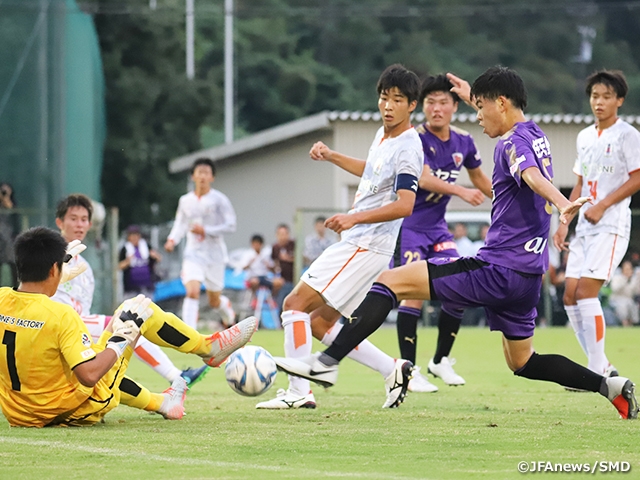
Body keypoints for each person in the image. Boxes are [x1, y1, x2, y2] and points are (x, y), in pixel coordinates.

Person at [275, 66, 638, 420]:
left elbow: (529, 175)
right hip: (528, 276)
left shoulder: (511, 143)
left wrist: (561, 203)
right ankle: (611, 387)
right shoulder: (535, 132)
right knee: (523, 362)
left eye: (480, 108)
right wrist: (469, 96)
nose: (477, 117)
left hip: (497, 268)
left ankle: (327, 362)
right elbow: (524, 157)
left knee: (391, 282)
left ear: (501, 103)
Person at [257, 64, 423, 410]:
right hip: (361, 243)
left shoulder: (409, 146)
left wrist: (354, 217)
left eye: (397, 99)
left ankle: (300, 392)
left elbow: (405, 204)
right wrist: (332, 156)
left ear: (412, 105)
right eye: (383, 98)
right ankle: (393, 368)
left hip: (365, 243)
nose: (388, 106)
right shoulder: (383, 136)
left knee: (294, 305)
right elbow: (372, 171)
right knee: (319, 323)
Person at [0, 227, 259, 427]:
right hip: (70, 409)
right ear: (55, 268)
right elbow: (90, 376)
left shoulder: (2, 299)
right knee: (135, 310)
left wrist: (54, 278)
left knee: (81, 356)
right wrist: (119, 341)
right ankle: (208, 348)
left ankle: (163, 402)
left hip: (19, 412)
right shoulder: (61, 314)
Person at [393, 74, 492, 393]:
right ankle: (408, 372)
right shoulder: (414, 138)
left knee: (458, 286)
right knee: (413, 293)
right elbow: (422, 179)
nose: (436, 108)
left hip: (437, 228)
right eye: (430, 102)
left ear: (453, 107)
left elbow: (480, 179)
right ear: (422, 107)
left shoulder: (464, 141)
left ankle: (440, 360)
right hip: (409, 226)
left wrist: (511, 198)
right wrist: (460, 192)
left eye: (443, 102)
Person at [51, 194, 209, 388]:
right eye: (73, 219)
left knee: (126, 333)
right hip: (57, 327)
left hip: (78, 330)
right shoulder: (51, 256)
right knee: (127, 322)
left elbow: (84, 310)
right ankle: (180, 373)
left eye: (84, 220)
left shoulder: (85, 269)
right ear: (60, 222)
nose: (79, 225)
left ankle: (173, 382)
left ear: (90, 225)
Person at [553, 70, 640, 376]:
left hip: (611, 223)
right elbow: (579, 183)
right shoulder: (585, 136)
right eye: (594, 96)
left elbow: (637, 177)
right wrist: (565, 219)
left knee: (587, 292)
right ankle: (602, 367)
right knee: (569, 293)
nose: (599, 102)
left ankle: (593, 372)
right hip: (585, 226)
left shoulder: (628, 135)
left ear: (619, 100)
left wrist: (603, 205)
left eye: (606, 96)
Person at [165, 158, 237, 328]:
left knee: (214, 300)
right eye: (200, 172)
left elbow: (231, 225)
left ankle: (228, 313)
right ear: (193, 176)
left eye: (207, 173)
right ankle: (189, 334)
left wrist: (206, 230)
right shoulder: (185, 200)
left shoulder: (219, 200)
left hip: (215, 255)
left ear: (212, 177)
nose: (203, 176)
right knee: (192, 291)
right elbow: (181, 222)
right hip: (193, 253)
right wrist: (172, 239)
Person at [118, 224, 162, 299]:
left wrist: (155, 256)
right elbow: (119, 266)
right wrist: (127, 261)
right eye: (132, 235)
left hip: (147, 287)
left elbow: (158, 259)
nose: (134, 238)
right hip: (131, 289)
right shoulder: (125, 249)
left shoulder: (146, 246)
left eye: (136, 235)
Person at [271, 224, 295, 312]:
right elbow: (275, 263)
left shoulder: (294, 244)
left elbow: (302, 259)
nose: (283, 237)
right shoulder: (275, 247)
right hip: (281, 281)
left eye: (284, 234)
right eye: (280, 234)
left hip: (294, 280)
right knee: (281, 303)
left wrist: (288, 258)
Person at [608, 260, 640, 326]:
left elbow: (636, 292)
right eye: (626, 269)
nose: (628, 271)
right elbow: (615, 289)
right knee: (623, 306)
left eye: (629, 269)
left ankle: (632, 323)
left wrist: (638, 280)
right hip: (617, 300)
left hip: (629, 300)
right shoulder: (617, 278)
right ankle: (624, 323)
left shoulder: (633, 280)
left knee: (632, 305)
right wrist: (625, 279)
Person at [0, 182, 18, 288]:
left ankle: (15, 288)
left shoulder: (13, 205)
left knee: (13, 266)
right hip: (0, 240)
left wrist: (7, 201)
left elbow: (16, 219)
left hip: (10, 240)